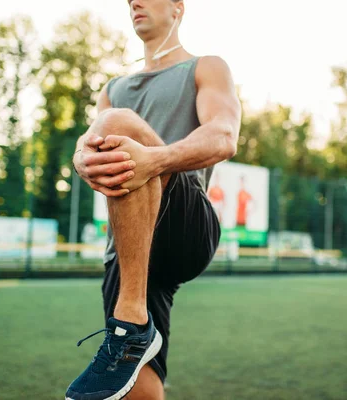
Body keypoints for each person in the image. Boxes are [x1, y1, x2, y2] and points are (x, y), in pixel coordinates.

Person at [65, 1, 241, 399]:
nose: (134, 3)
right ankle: (135, 327)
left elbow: (224, 135)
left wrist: (154, 161)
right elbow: (86, 145)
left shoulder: (205, 67)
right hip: (128, 252)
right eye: (129, 1)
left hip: (185, 223)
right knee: (134, 392)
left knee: (116, 124)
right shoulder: (113, 89)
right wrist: (81, 161)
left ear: (178, 7)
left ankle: (131, 319)